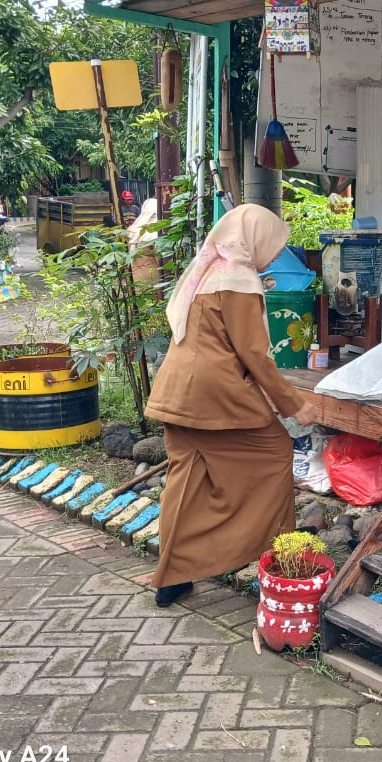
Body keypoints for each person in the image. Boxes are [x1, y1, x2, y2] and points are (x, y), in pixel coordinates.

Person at [145, 205, 317, 608]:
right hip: (214, 393)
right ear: (254, 239)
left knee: (186, 480)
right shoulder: (238, 280)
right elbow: (253, 353)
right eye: (275, 245)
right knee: (275, 451)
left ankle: (172, 576)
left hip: (176, 391)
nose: (276, 254)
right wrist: (293, 403)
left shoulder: (207, 272)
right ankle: (276, 556)